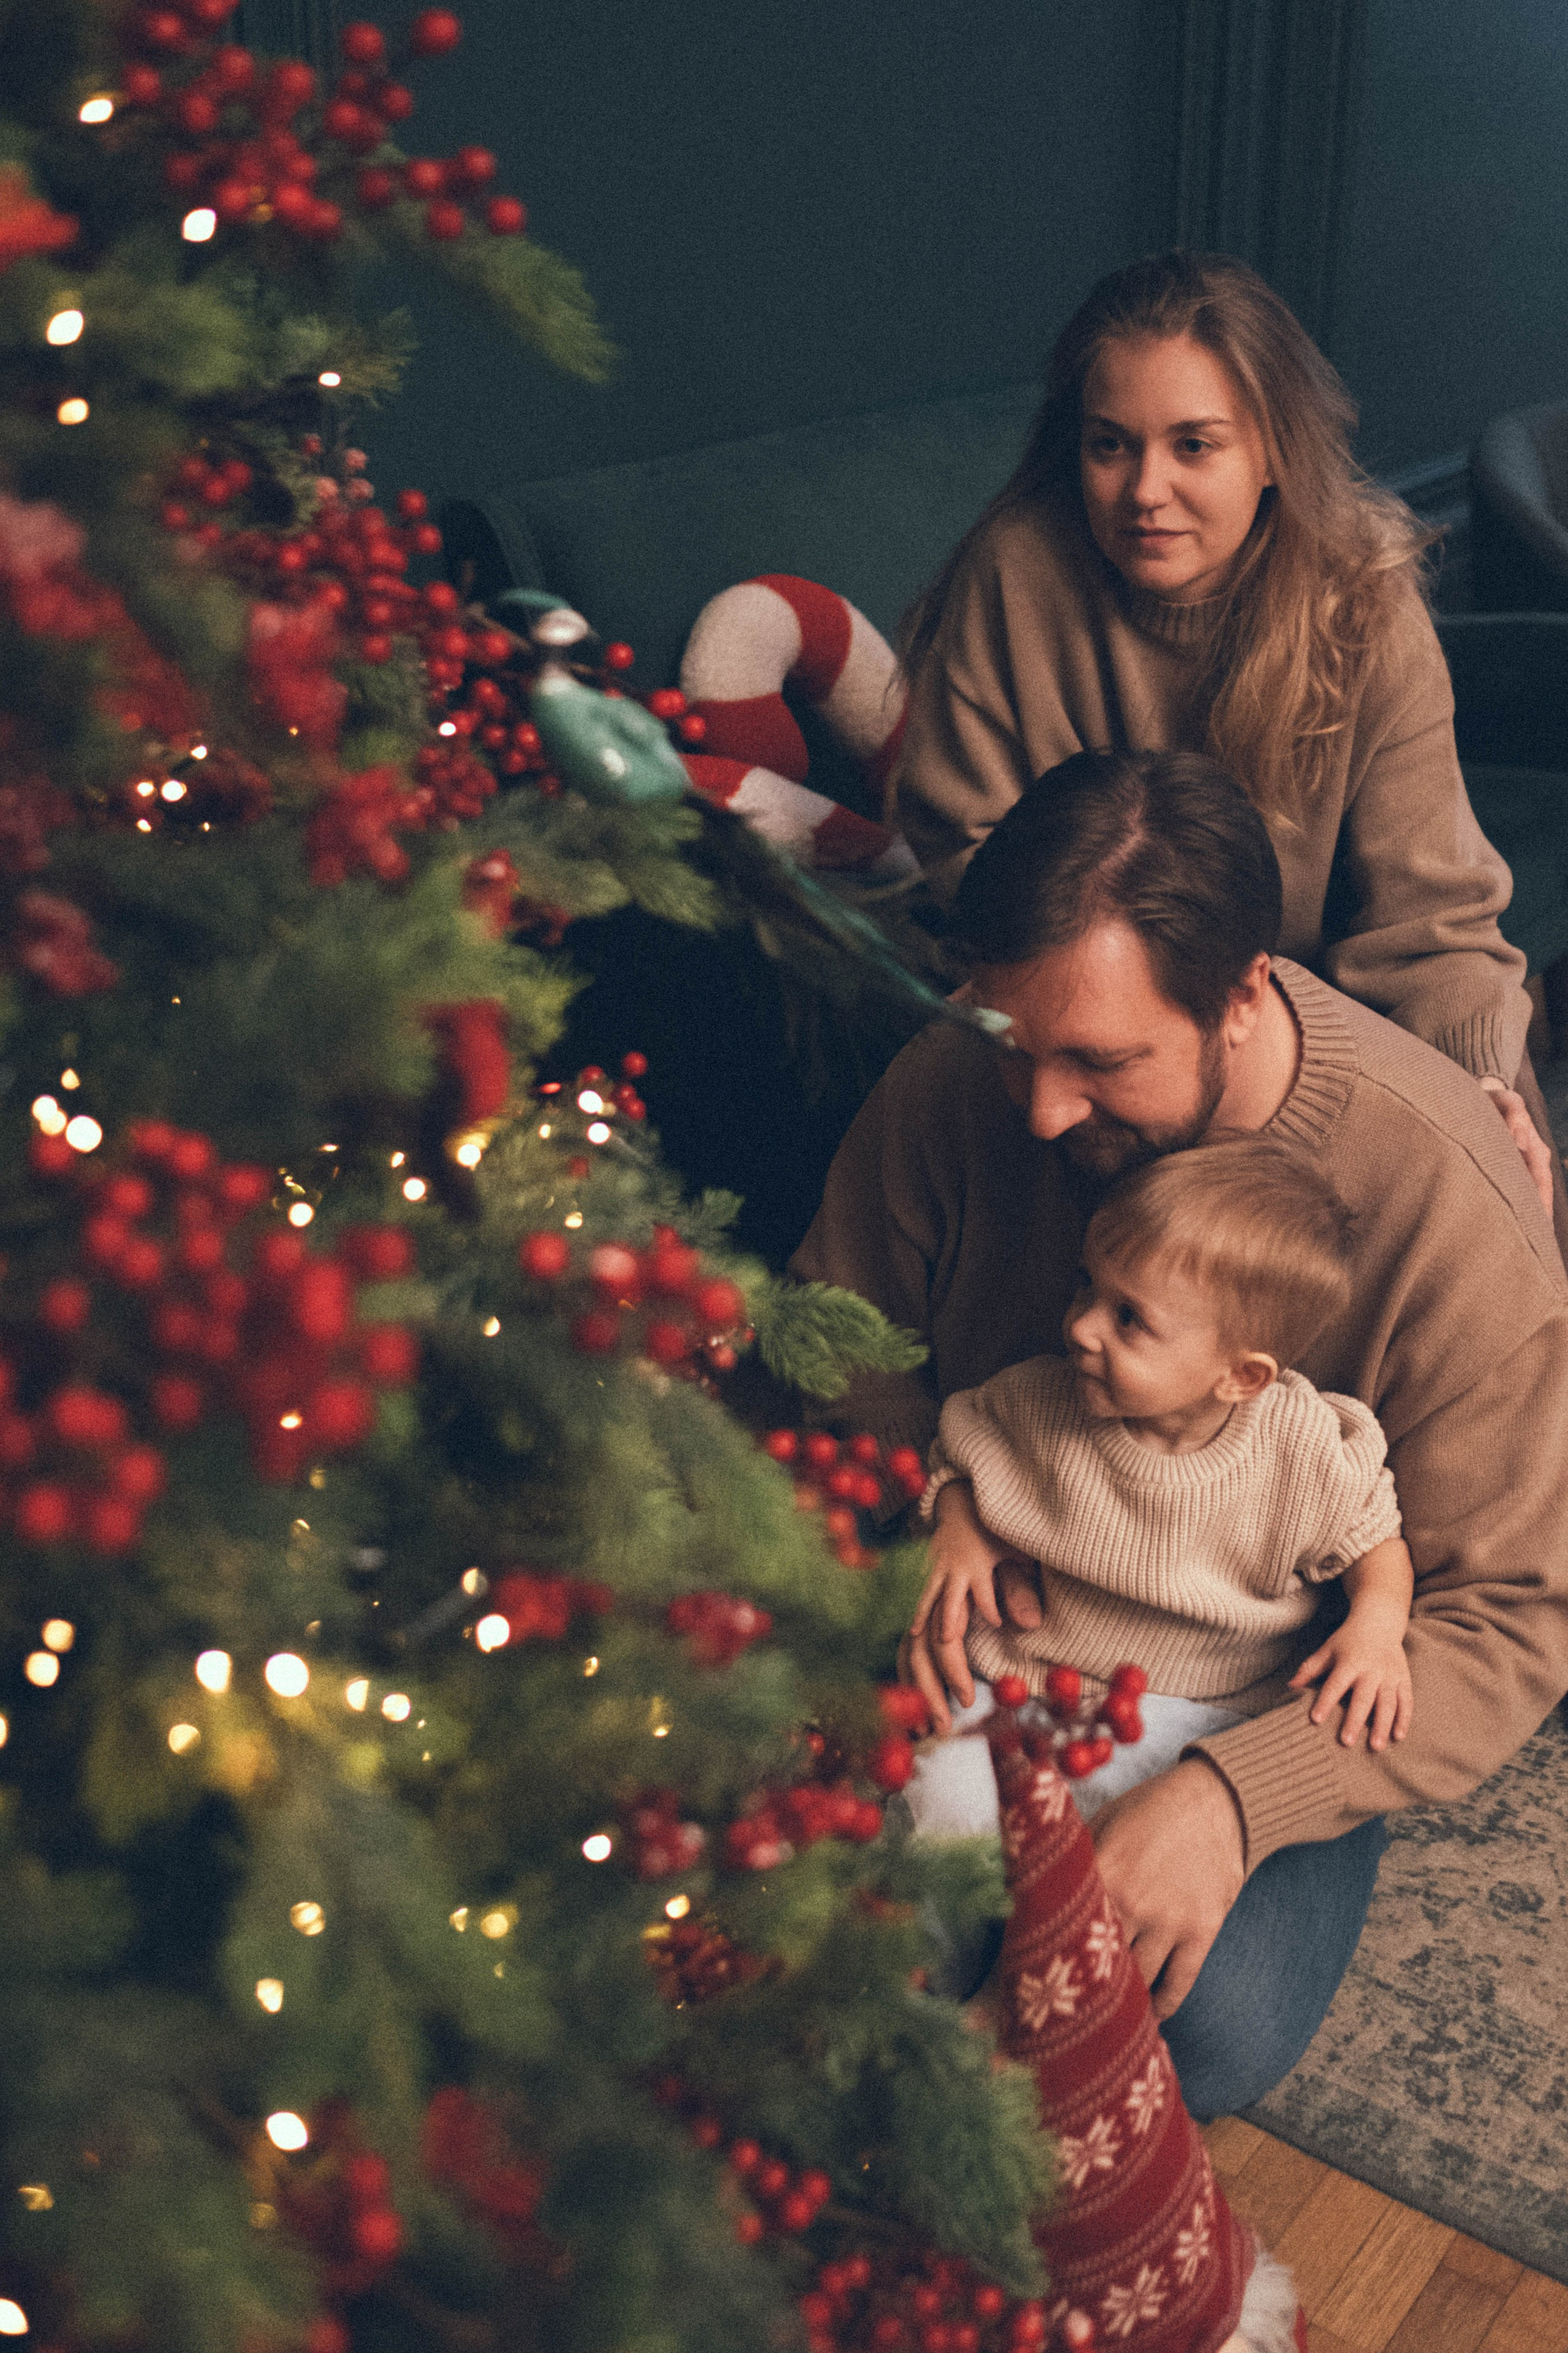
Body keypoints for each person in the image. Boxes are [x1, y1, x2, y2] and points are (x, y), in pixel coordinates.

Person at [790, 747, 1568, 2120]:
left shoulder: (1449, 1213)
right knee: (809, 1879)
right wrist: (931, 1507)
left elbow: (1504, 1615)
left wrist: (1232, 1799)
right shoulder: (971, 1073)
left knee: (1194, 2020)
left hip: (1248, 1683)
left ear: (1240, 994)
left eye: (1099, 1062)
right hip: (992, 1613)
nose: (1039, 1108)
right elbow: (833, 1336)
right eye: (1015, 1046)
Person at [892, 249, 1563, 1242]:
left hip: (1313, 1004)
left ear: (1274, 452)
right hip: (1086, 1012)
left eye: (1194, 446)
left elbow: (1432, 916)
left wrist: (1476, 1092)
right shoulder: (1017, 574)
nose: (1145, 490)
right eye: (1110, 445)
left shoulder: (1363, 594)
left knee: (1499, 1185)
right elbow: (983, 875)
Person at [917, 1138, 1415, 1762]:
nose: (1079, 1327)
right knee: (944, 1796)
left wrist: (1376, 1624)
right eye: (1085, 1286)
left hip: (1215, 1717)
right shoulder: (1035, 1403)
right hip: (1030, 1690)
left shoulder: (1300, 1449)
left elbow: (1373, 1538)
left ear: (1241, 1376)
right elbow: (962, 1451)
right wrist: (958, 1524)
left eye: (1128, 1317)